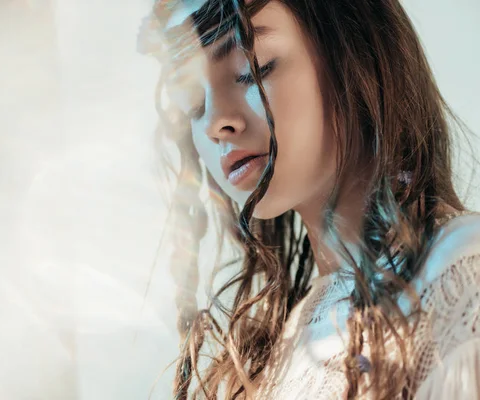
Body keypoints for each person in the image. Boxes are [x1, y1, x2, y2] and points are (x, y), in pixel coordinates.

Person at [138, 0, 480, 398]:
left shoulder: (459, 278)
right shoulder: (276, 347)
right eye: (194, 103)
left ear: (356, 50)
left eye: (252, 70)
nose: (216, 122)